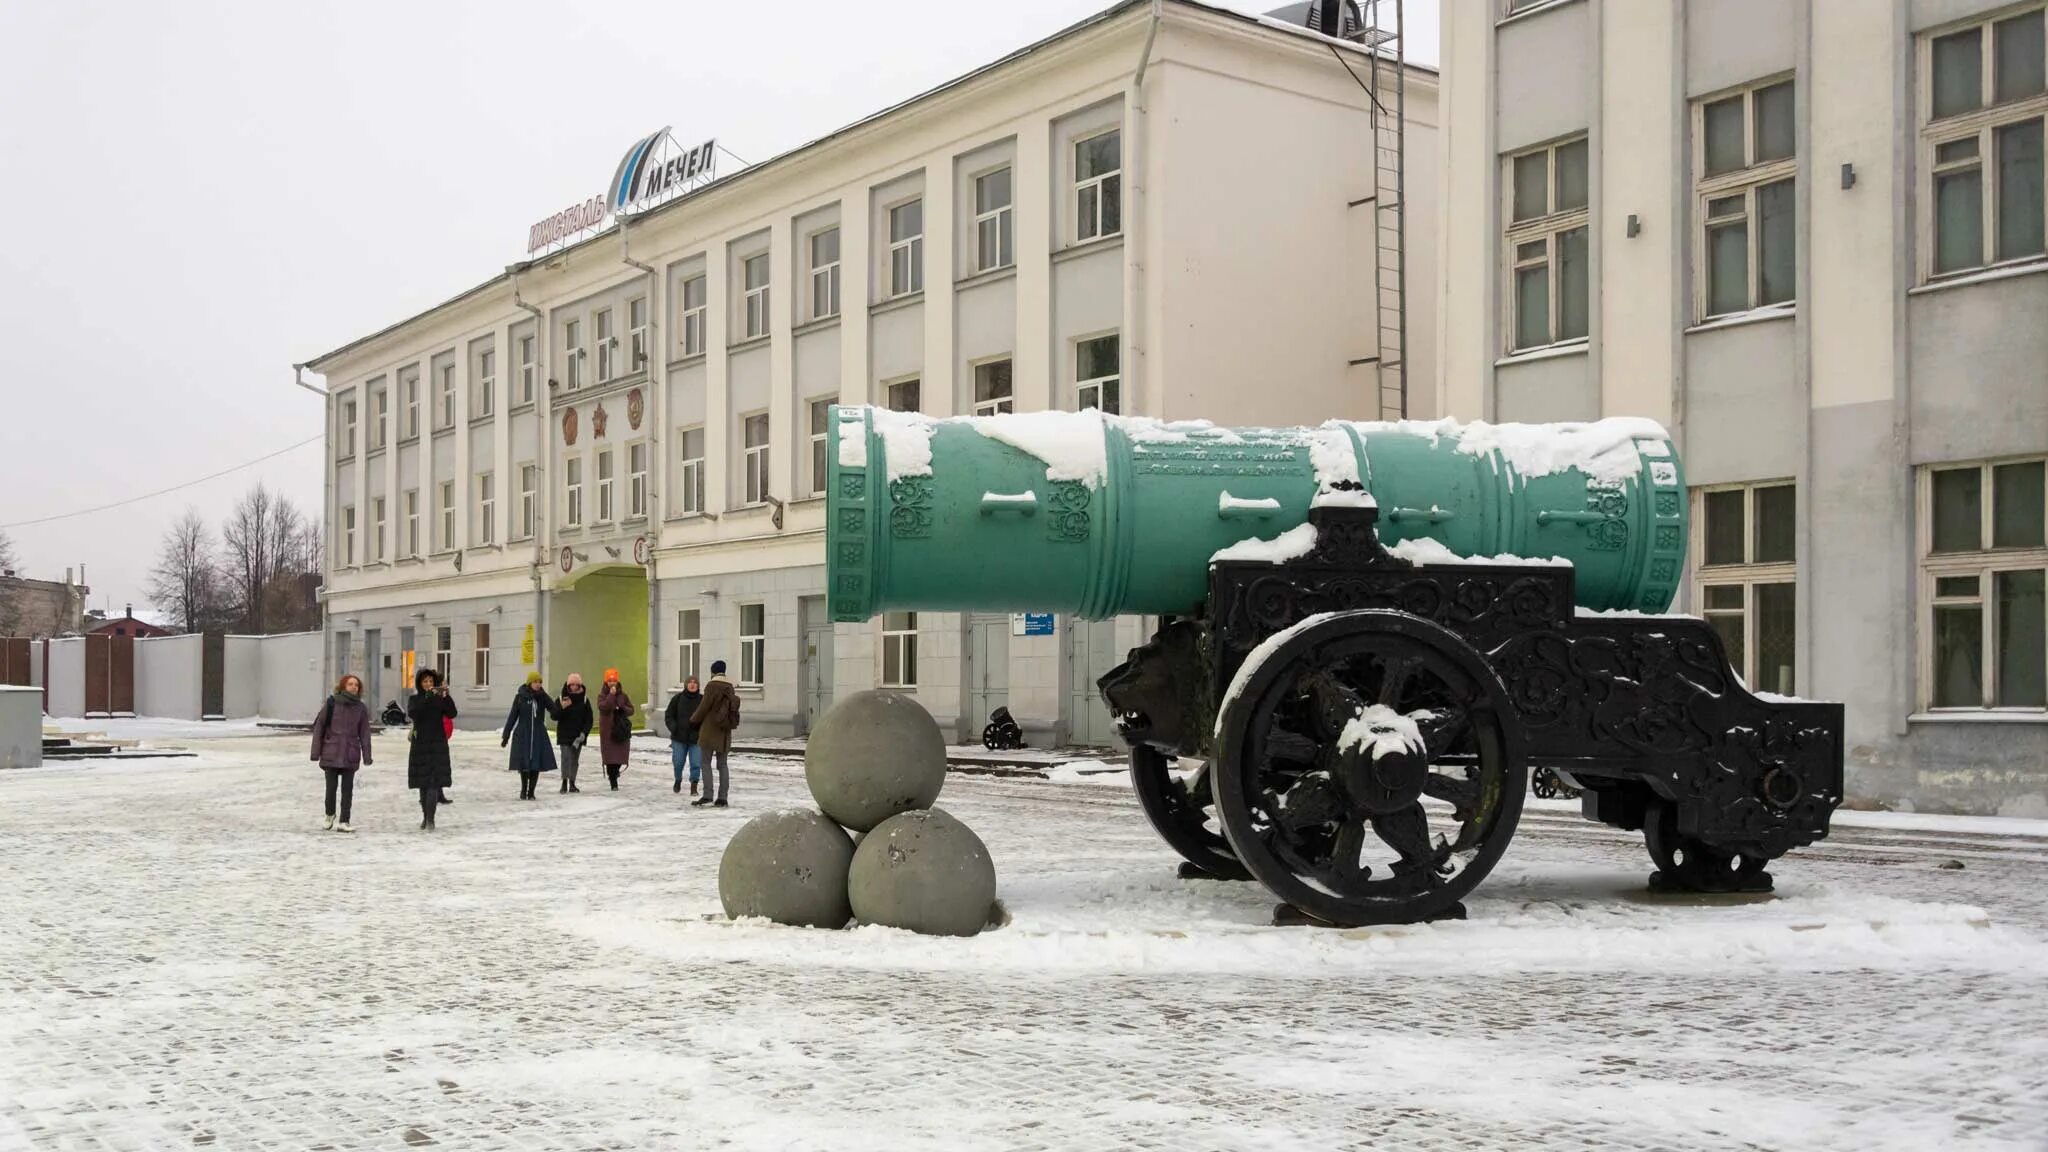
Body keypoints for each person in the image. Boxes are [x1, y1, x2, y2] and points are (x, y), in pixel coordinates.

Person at [310, 674, 373, 832]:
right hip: (331, 750)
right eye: (350, 684)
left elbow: (365, 733)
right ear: (343, 686)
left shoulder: (361, 708)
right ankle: (329, 814)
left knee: (347, 789)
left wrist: (367, 755)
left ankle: (344, 821)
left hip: (350, 752)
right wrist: (315, 752)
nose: (354, 687)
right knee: (330, 788)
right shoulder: (332, 703)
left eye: (356, 685)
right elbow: (319, 727)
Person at [407, 668, 458, 831]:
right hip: (420, 744)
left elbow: (452, 713)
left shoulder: (439, 699)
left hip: (437, 744)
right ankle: (425, 816)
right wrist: (427, 698)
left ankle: (431, 819)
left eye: (430, 682)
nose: (428, 685)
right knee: (423, 784)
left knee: (434, 783)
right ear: (420, 684)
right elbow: (414, 713)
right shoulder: (414, 699)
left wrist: (446, 696)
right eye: (425, 682)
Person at [501, 671, 560, 799]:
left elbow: (554, 711)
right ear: (529, 683)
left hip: (538, 734)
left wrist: (560, 705)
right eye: (535, 682)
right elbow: (512, 717)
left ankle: (531, 792)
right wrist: (506, 735)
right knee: (524, 763)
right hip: (523, 734)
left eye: (540, 682)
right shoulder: (520, 697)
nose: (538, 684)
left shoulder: (543, 697)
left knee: (536, 763)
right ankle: (523, 790)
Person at [689, 661, 738, 808]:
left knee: (705, 763)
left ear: (713, 672)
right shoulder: (729, 687)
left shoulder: (712, 686)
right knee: (722, 765)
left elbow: (704, 707)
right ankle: (723, 798)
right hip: (724, 731)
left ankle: (708, 795)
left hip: (710, 730)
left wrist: (693, 720)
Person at [595, 668, 635, 791]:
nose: (612, 683)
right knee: (610, 758)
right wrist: (611, 695)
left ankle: (615, 772)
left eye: (614, 681)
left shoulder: (623, 695)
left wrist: (623, 709)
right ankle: (613, 781)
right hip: (608, 731)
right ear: (606, 682)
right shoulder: (602, 695)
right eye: (609, 681)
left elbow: (631, 709)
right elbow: (604, 707)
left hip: (621, 730)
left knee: (619, 757)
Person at [664, 676, 704, 796]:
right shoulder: (677, 699)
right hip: (679, 738)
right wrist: (673, 727)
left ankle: (694, 786)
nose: (692, 685)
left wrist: (702, 730)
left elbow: (707, 717)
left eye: (695, 683)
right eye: (690, 683)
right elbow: (669, 715)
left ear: (698, 685)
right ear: (686, 685)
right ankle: (678, 779)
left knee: (696, 763)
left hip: (696, 738)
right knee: (678, 762)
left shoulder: (702, 700)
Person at [556, 673, 592, 794]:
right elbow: (554, 716)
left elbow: (589, 719)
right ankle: (564, 782)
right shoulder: (561, 698)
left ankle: (572, 782)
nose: (574, 687)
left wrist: (583, 733)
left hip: (578, 736)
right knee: (565, 758)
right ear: (568, 685)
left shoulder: (585, 700)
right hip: (564, 734)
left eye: (577, 685)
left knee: (574, 759)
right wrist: (562, 708)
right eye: (572, 684)